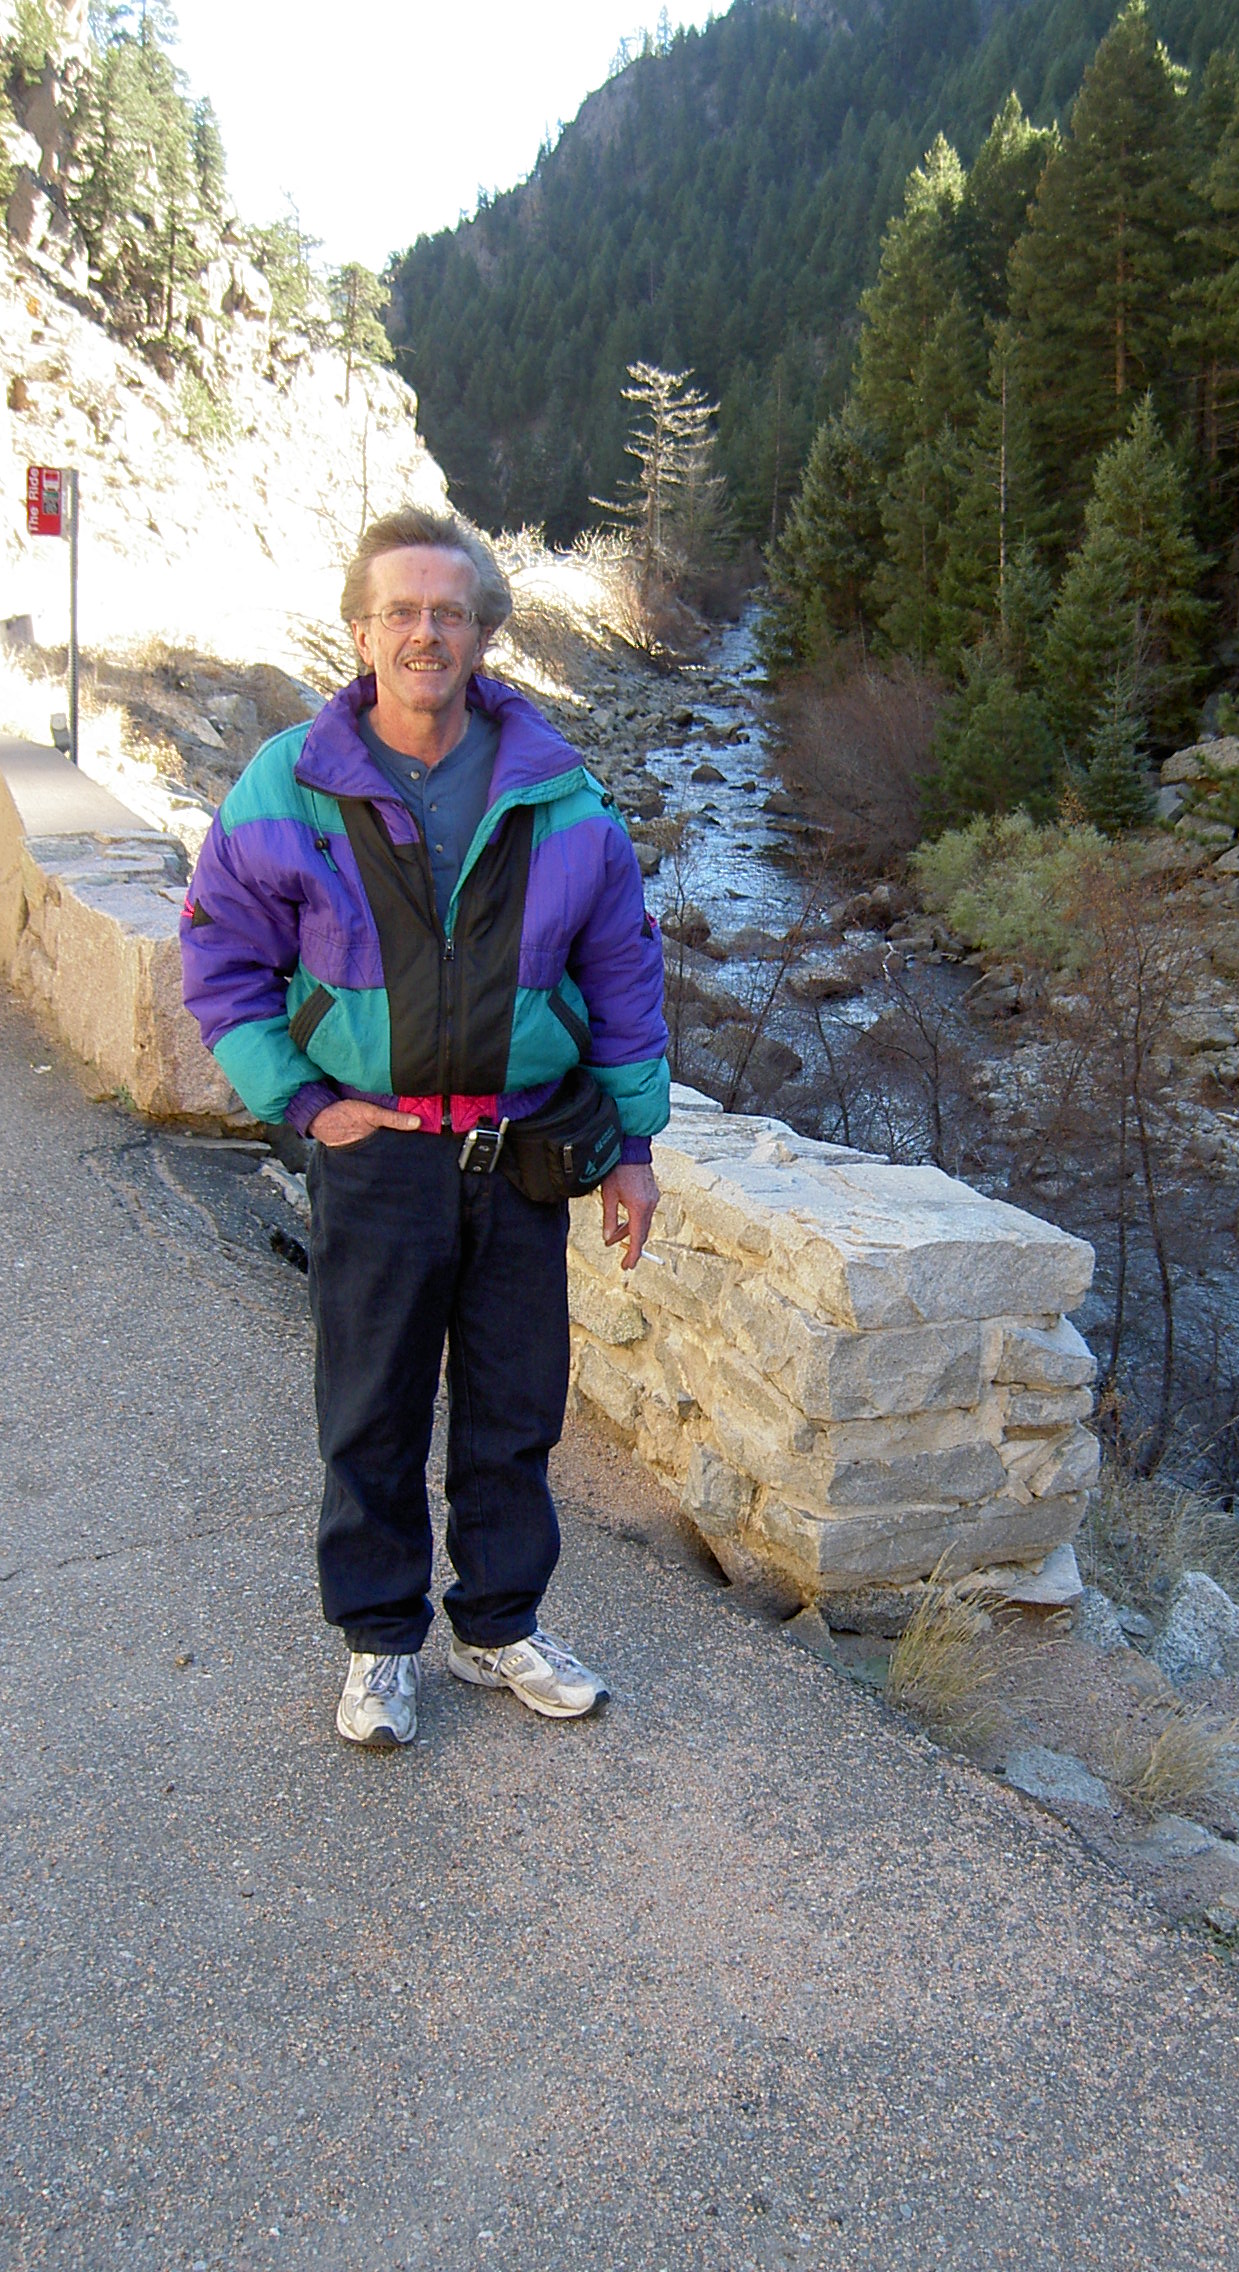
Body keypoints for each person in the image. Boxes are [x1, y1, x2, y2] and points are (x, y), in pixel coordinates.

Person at [181, 506, 669, 1749]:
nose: (424, 632)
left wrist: (635, 1146)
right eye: (399, 610)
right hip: (380, 1153)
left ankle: (497, 1624)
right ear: (360, 632)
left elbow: (622, 971)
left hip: (521, 1152)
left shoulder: (556, 789)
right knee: (373, 1408)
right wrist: (305, 1102)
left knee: (516, 1407)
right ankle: (380, 1640)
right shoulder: (289, 782)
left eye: (448, 611)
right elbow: (221, 958)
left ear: (484, 633)